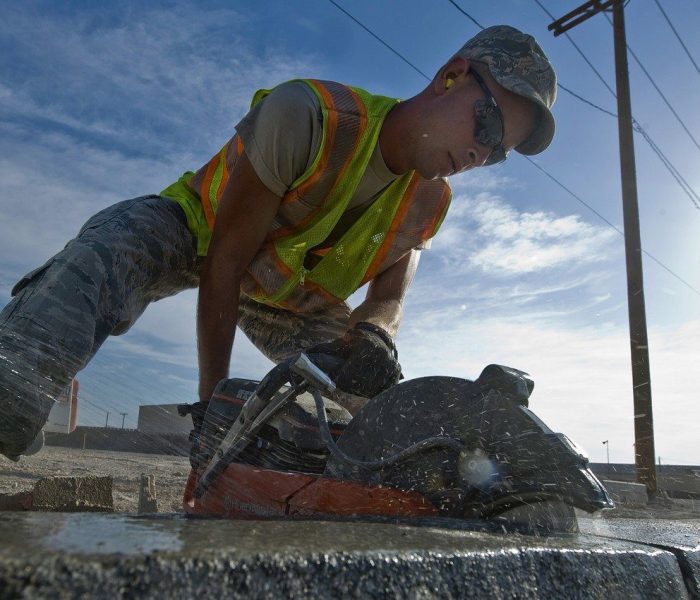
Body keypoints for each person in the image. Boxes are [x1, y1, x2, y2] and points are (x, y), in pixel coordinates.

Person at [0, 25, 556, 461]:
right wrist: (213, 406)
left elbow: (390, 300)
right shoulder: (312, 115)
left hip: (285, 295)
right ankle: (10, 399)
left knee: (375, 404)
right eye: (486, 128)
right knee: (104, 257)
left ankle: (349, 476)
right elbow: (225, 262)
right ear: (452, 76)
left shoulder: (430, 201)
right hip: (197, 235)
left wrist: (374, 339)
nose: (483, 155)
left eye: (499, 152)